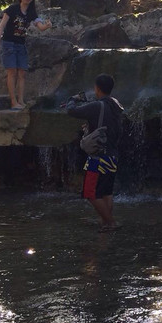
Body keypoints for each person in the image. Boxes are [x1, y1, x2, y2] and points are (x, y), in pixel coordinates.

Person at [67, 74, 125, 232]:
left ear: (97, 88)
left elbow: (71, 111)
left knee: (89, 192)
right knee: (106, 191)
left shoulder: (97, 106)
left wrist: (73, 99)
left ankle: (111, 222)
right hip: (113, 155)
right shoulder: (115, 104)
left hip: (99, 157)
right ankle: (104, 222)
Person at [0, 0, 52, 110]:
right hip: (8, 43)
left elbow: (40, 27)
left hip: (20, 44)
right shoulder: (12, 9)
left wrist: (47, 26)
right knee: (12, 72)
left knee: (22, 73)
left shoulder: (31, 12)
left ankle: (21, 101)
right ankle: (14, 102)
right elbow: (2, 26)